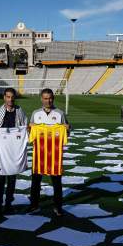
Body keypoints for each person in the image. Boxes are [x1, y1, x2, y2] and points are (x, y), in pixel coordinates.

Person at [28, 88, 70, 216]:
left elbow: (67, 131)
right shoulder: (35, 114)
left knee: (57, 182)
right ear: (41, 99)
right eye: (46, 98)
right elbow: (30, 133)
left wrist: (68, 128)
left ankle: (58, 206)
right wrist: (29, 128)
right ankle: (34, 204)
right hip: (39, 155)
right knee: (35, 182)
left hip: (54, 156)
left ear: (53, 98)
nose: (48, 101)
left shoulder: (60, 113)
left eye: (50, 98)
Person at [0, 88, 28, 215]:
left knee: (12, 178)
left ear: (14, 98)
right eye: (8, 97)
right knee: (0, 178)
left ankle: (9, 203)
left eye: (12, 97)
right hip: (1, 149)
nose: (10, 99)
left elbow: (25, 125)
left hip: (14, 149)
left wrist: (27, 129)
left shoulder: (19, 110)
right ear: (4, 97)